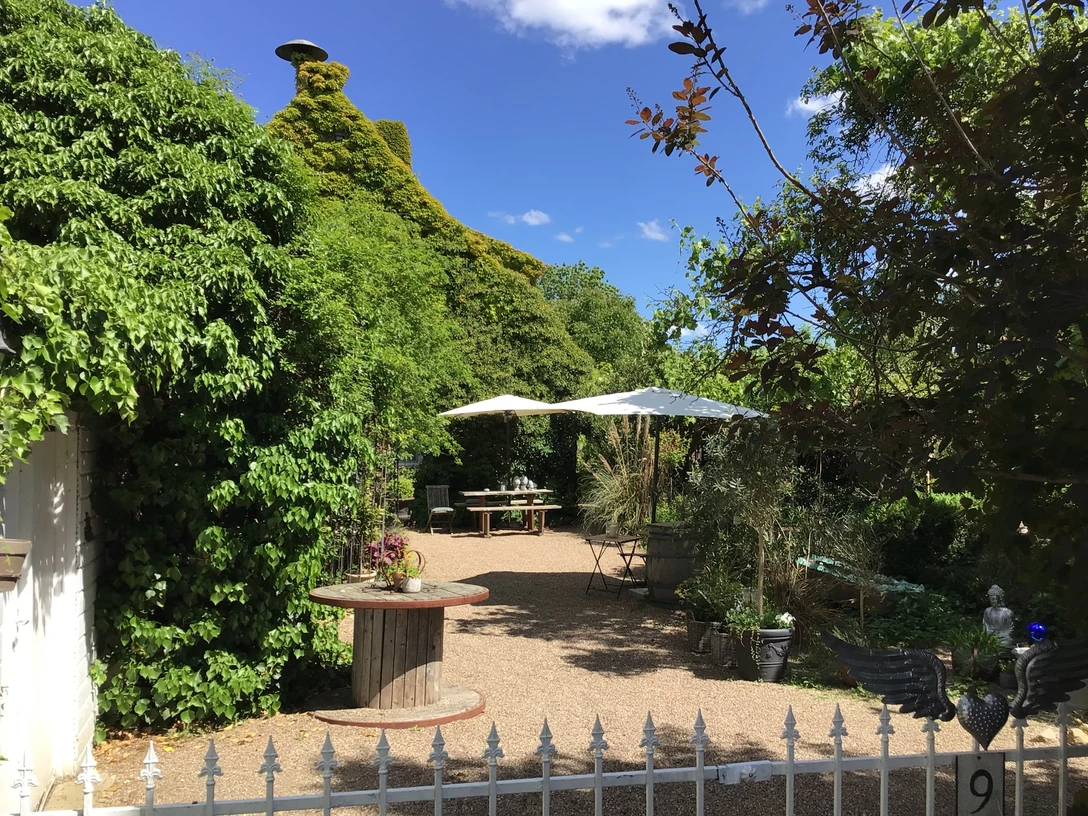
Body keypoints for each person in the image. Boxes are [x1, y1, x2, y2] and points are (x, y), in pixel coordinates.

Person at [983, 584, 1016, 650]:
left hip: (1003, 638)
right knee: (986, 642)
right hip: (991, 637)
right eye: (990, 599)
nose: (992, 601)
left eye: (994, 599)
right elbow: (985, 625)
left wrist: (1000, 635)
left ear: (1000, 599)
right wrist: (989, 634)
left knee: (1006, 643)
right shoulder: (987, 611)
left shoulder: (1007, 612)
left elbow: (1010, 629)